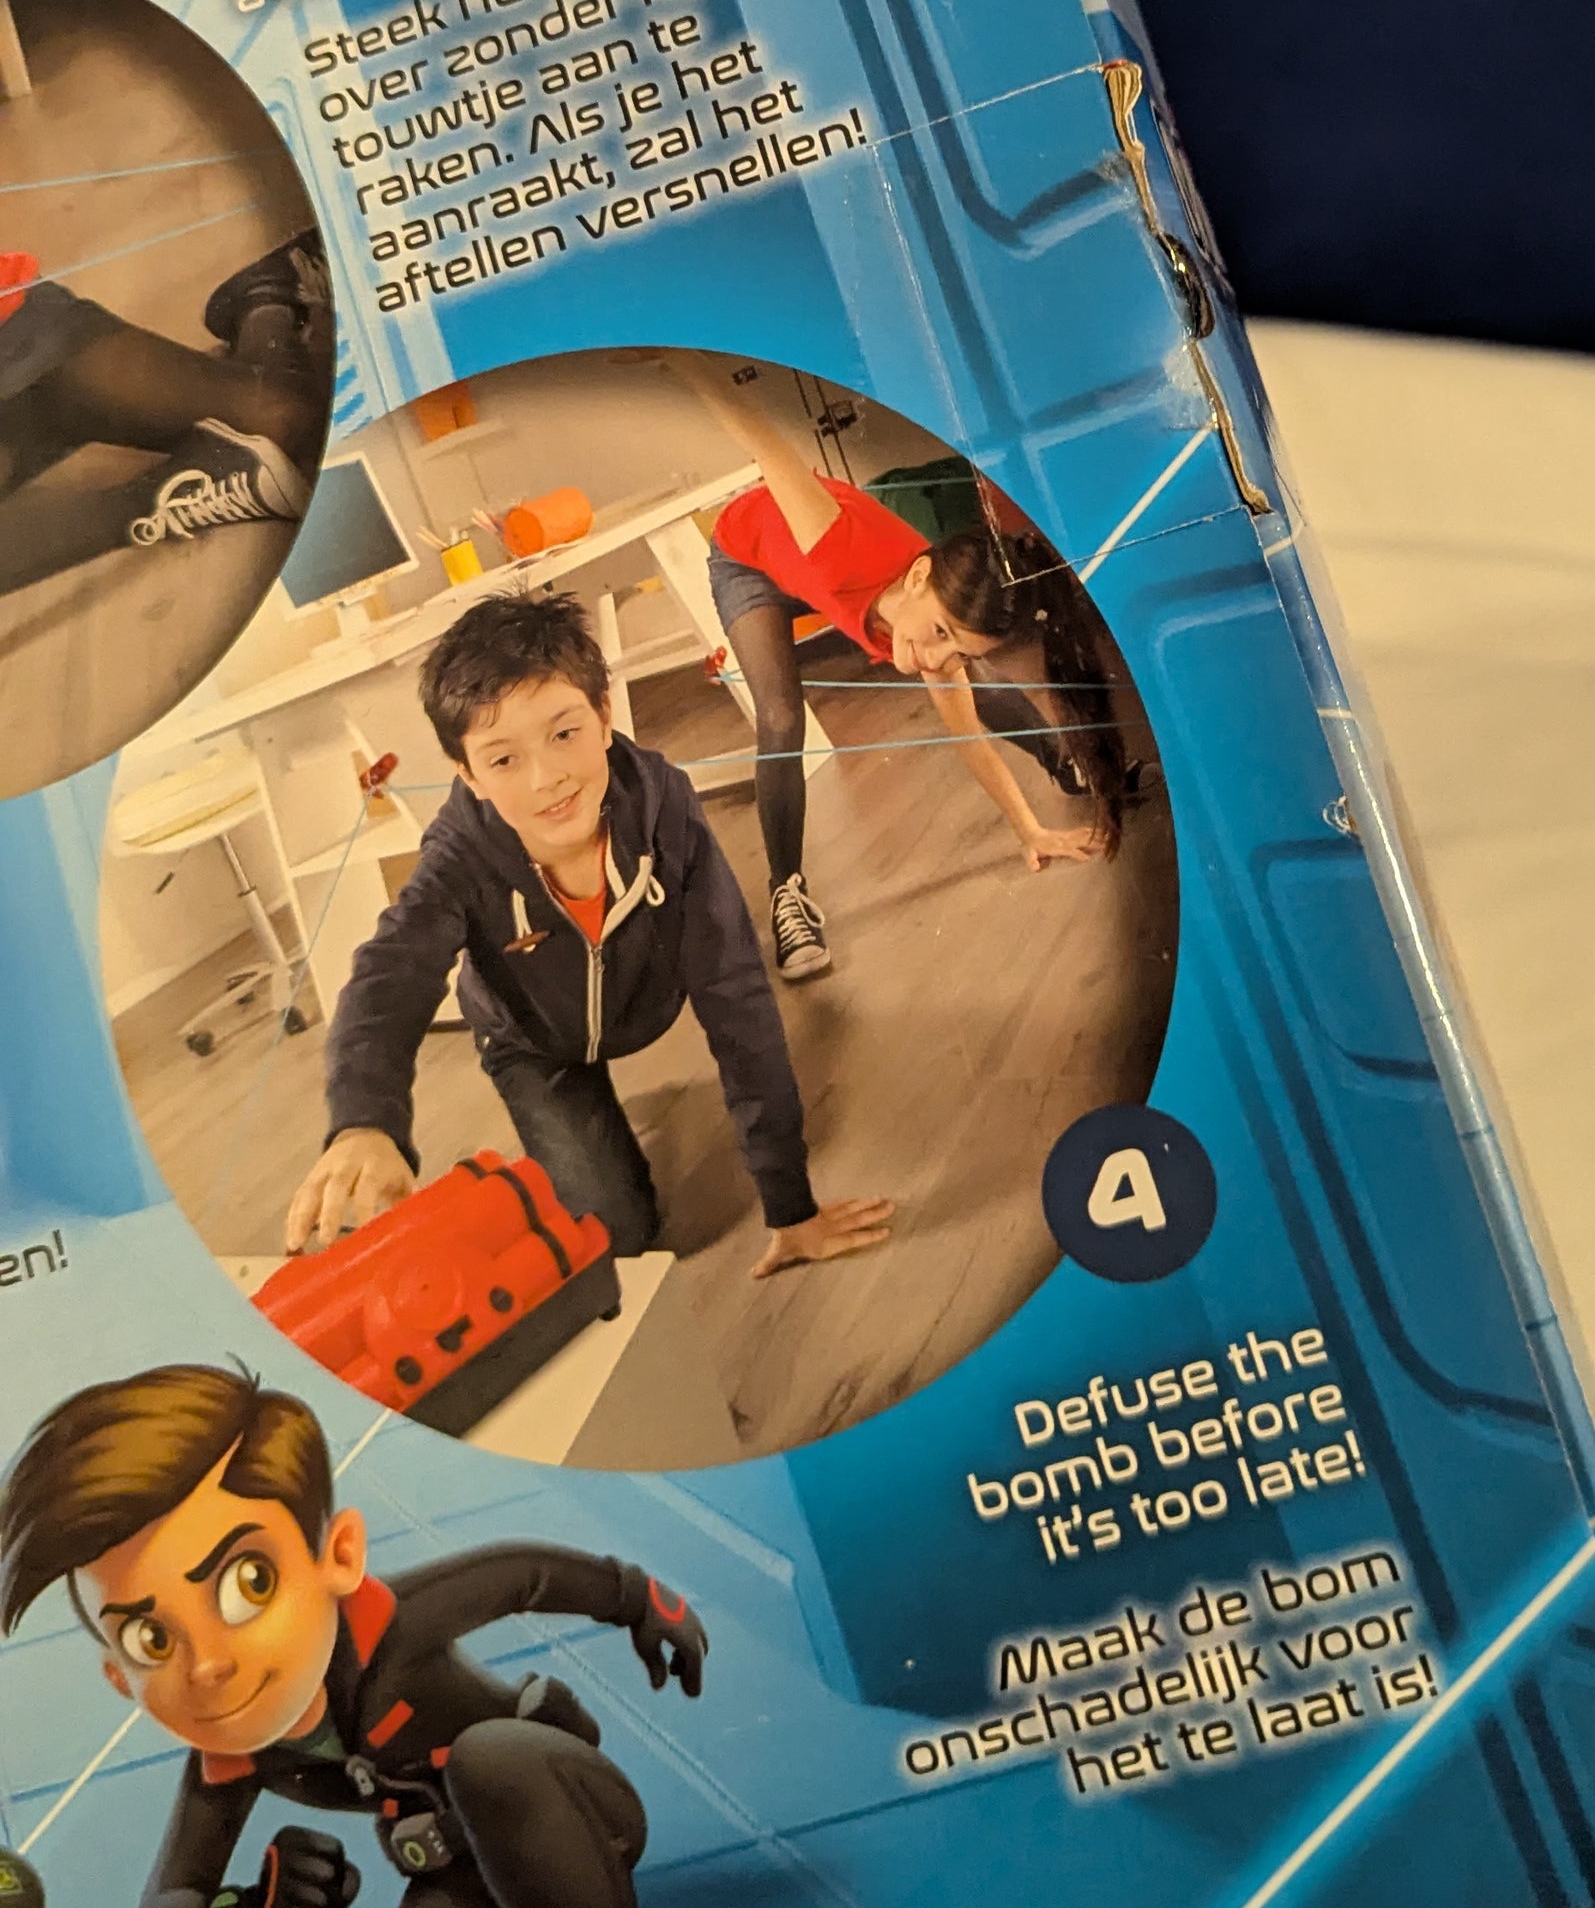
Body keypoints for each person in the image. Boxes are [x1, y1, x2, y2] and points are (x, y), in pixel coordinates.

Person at [0, 1361, 711, 1908]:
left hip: (568, 1803)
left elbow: (522, 1576)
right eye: (151, 1639)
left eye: (248, 1583)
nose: (206, 1666)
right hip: (459, 1864)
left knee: (489, 1759)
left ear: (337, 1557)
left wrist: (642, 1600)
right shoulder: (232, 1757)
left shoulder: (395, 1625)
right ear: (117, 1676)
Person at [286, 587, 893, 1273]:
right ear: (469, 775)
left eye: (564, 733)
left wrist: (791, 1207)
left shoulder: (664, 808)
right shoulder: (460, 854)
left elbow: (737, 996)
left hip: (645, 1004)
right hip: (532, 1041)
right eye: (503, 759)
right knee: (615, 1236)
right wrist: (364, 1120)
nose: (547, 778)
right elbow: (390, 972)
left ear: (604, 717)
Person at [686, 358, 1142, 983]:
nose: (935, 658)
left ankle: (1064, 763)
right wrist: (682, 359)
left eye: (957, 649)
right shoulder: (835, 543)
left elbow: (969, 736)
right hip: (749, 558)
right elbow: (762, 439)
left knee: (973, 691)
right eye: (942, 635)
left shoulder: (926, 623)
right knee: (782, 717)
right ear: (919, 577)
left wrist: (1030, 830)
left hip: (818, 576)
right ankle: (786, 892)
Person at [0, 228, 330, 596]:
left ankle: (265, 298)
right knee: (283, 426)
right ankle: (165, 494)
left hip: (16, 338)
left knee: (283, 419)